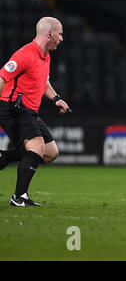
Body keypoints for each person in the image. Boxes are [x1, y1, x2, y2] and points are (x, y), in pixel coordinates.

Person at [0, 17, 70, 207]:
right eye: (60, 34)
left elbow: (43, 81)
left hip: (29, 110)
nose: (62, 39)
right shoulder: (25, 54)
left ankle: (3, 157)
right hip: (12, 107)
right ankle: (19, 197)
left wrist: (56, 99)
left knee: (50, 153)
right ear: (50, 34)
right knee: (37, 147)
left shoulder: (45, 55)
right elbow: (2, 77)